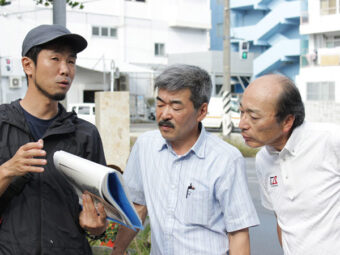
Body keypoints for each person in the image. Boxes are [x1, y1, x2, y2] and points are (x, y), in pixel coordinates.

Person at [112, 64, 259, 255]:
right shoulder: (145, 146)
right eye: (160, 104)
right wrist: (117, 251)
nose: (164, 114)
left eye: (175, 106)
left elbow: (238, 233)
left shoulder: (225, 159)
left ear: (201, 111)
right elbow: (137, 207)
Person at [0, 24, 108, 254]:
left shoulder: (85, 134)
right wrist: (8, 170)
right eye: (55, 58)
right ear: (28, 65)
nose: (65, 70)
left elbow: (100, 216)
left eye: (71, 61)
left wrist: (97, 226)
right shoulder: (2, 124)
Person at [239, 74, 340, 254]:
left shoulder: (330, 140)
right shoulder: (263, 159)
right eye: (241, 112)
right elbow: (283, 223)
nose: (242, 124)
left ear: (287, 121)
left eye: (253, 117)